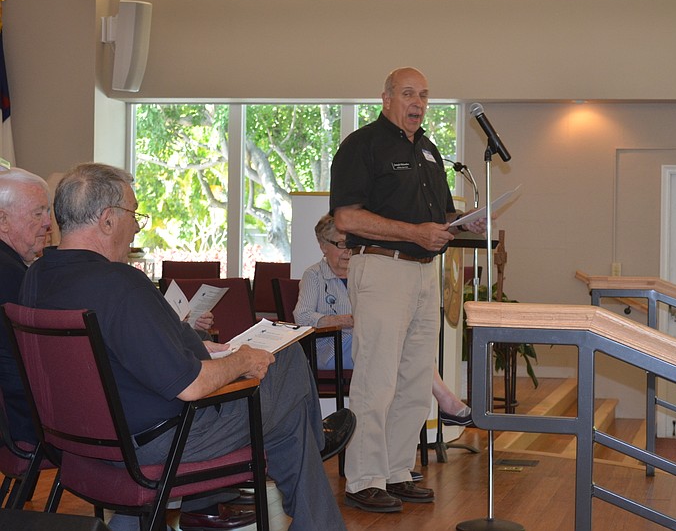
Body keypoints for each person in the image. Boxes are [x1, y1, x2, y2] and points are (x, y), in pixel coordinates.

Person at [19, 163, 352, 531]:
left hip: (82, 443)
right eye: (133, 215)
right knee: (285, 360)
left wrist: (212, 351)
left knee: (285, 420)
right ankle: (318, 455)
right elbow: (190, 385)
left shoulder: (37, 278)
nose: (136, 227)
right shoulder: (121, 284)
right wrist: (242, 359)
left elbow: (125, 361)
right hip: (163, 442)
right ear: (108, 220)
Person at [330, 67, 486, 513]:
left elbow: (435, 217)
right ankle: (363, 479)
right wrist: (414, 233)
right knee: (377, 380)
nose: (417, 103)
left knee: (416, 381)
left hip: (423, 274)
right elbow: (347, 218)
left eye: (424, 95)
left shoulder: (430, 152)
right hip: (381, 268)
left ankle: (397, 472)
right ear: (386, 99)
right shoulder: (362, 146)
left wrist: (462, 222)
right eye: (407, 94)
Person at [293, 214, 472, 426]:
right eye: (341, 244)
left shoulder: (363, 272)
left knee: (410, 346)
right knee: (400, 347)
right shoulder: (314, 275)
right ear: (323, 245)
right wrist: (344, 320)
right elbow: (302, 317)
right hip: (331, 348)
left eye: (351, 244)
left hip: (366, 340)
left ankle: (406, 422)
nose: (348, 252)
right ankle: (446, 401)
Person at [0, 168, 52, 446]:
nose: (48, 223)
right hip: (23, 421)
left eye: (48, 212)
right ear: (2, 220)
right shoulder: (12, 276)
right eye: (38, 213)